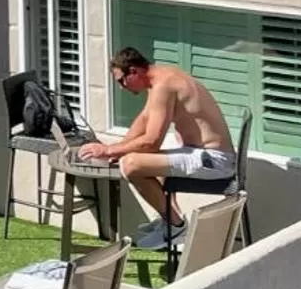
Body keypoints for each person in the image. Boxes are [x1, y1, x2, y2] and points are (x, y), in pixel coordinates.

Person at [75, 47, 236, 249]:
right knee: (135, 155)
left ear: (134, 71)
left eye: (121, 81)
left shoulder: (164, 85)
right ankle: (169, 217)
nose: (122, 87)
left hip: (215, 161)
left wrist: (108, 151)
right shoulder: (161, 78)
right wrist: (115, 148)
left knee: (131, 165)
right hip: (204, 153)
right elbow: (144, 119)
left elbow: (151, 142)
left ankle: (176, 226)